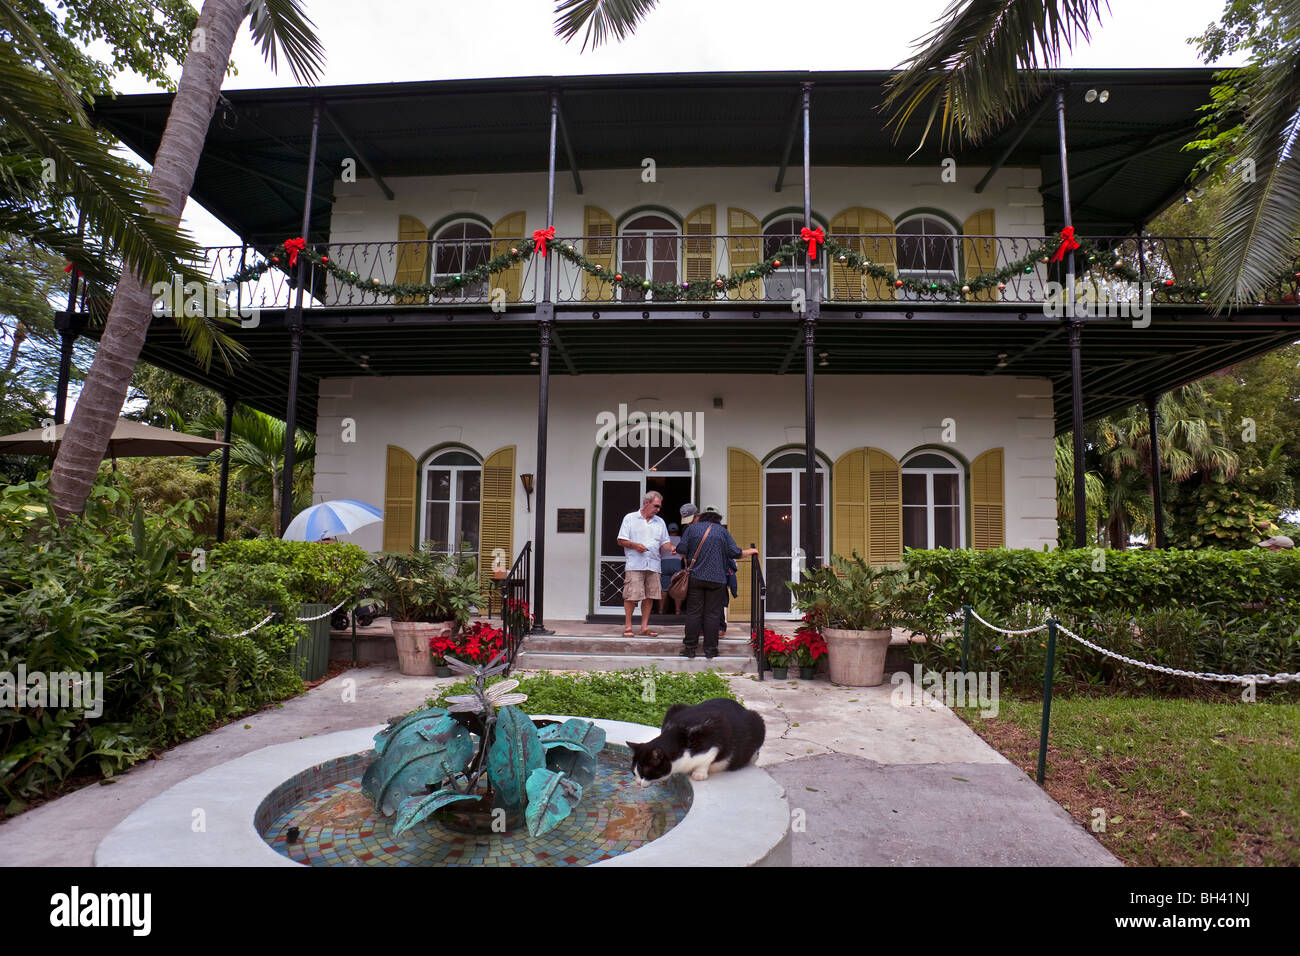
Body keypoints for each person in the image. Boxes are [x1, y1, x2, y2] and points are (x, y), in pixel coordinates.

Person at [674, 503, 757, 659]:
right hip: (717, 579)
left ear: (701, 516)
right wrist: (751, 551)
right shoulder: (723, 532)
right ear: (718, 518)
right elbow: (734, 552)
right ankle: (710, 650)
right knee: (712, 614)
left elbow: (681, 550)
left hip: (696, 578)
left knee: (693, 613)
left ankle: (690, 648)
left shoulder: (691, 529)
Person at [617, 491, 675, 637]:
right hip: (635, 564)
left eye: (659, 507)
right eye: (656, 506)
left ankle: (644, 627)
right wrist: (636, 546)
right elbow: (621, 540)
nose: (658, 509)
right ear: (646, 503)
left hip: (654, 564)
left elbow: (665, 542)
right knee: (631, 596)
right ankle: (628, 627)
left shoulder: (660, 521)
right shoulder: (630, 518)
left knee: (650, 596)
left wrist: (672, 548)